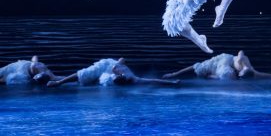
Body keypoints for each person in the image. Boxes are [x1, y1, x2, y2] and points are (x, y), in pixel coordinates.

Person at [47, 58, 179, 87]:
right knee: (84, 74)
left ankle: (58, 80)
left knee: (87, 78)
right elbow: (154, 80)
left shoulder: (132, 79)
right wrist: (171, 81)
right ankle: (59, 81)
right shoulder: (131, 77)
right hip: (108, 65)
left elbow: (153, 80)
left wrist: (171, 82)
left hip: (107, 73)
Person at [162, 50, 271, 80]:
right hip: (225, 60)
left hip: (225, 64)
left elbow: (267, 74)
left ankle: (210, 75)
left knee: (220, 73)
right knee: (200, 67)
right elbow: (241, 52)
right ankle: (174, 74)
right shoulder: (243, 64)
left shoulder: (249, 71)